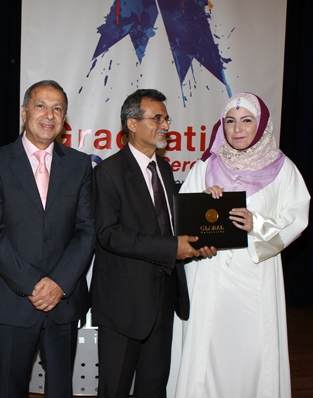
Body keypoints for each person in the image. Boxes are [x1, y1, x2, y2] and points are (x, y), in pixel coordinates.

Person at [169, 92, 310, 398]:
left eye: (246, 120)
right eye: (230, 121)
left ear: (261, 125)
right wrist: (204, 204)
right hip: (209, 272)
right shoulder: (206, 166)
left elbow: (297, 218)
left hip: (254, 274)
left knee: (252, 348)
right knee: (206, 347)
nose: (237, 129)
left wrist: (257, 223)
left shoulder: (283, 169)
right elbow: (184, 222)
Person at [0, 80, 96, 398]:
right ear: (24, 111)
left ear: (64, 118)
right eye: (41, 105)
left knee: (61, 388)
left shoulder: (79, 165)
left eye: (58, 109)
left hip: (64, 300)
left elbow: (86, 229)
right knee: (12, 388)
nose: (49, 115)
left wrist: (58, 283)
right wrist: (33, 284)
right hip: (13, 299)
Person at [91, 89, 214, 398]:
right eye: (157, 118)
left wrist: (202, 233)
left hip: (163, 299)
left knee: (154, 388)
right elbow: (109, 234)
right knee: (115, 389)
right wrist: (172, 248)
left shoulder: (165, 169)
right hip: (123, 303)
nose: (165, 125)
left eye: (166, 118)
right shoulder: (108, 172)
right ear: (132, 124)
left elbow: (170, 224)